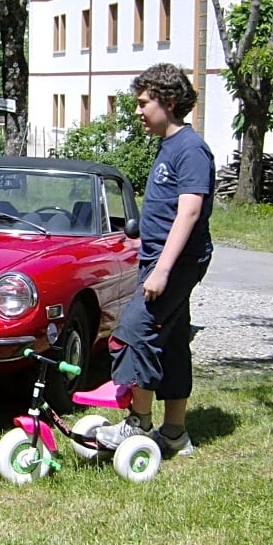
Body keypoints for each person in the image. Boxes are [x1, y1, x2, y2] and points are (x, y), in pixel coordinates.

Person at [93, 63, 215, 458]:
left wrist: (161, 269)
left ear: (169, 101)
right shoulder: (169, 145)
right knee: (173, 342)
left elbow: (190, 212)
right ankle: (175, 434)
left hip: (174, 264)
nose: (137, 111)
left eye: (144, 103)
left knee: (133, 333)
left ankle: (137, 425)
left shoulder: (191, 149)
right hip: (159, 260)